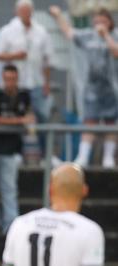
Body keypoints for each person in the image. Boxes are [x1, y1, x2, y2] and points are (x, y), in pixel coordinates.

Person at [50, 5, 118, 167]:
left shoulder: (115, 35)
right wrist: (58, 15)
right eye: (97, 21)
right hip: (92, 89)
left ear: (109, 22)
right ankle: (83, 156)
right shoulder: (88, 36)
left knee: (110, 123)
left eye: (103, 21)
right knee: (90, 122)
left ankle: (108, 158)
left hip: (112, 89)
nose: (99, 24)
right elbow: (69, 33)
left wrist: (106, 35)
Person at [0, 1, 52, 152]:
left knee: (42, 117)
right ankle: (16, 152)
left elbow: (47, 60)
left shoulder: (41, 31)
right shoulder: (7, 31)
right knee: (12, 118)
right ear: (16, 12)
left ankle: (46, 154)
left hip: (35, 83)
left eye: (27, 10)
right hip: (14, 85)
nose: (25, 13)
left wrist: (46, 83)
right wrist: (15, 55)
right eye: (22, 10)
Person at [0, 64, 32, 234]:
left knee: (9, 188)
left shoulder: (24, 96)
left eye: (13, 79)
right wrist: (17, 122)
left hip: (11, 150)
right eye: (7, 79)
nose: (10, 82)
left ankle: (10, 224)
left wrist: (18, 121)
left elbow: (29, 117)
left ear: (17, 79)